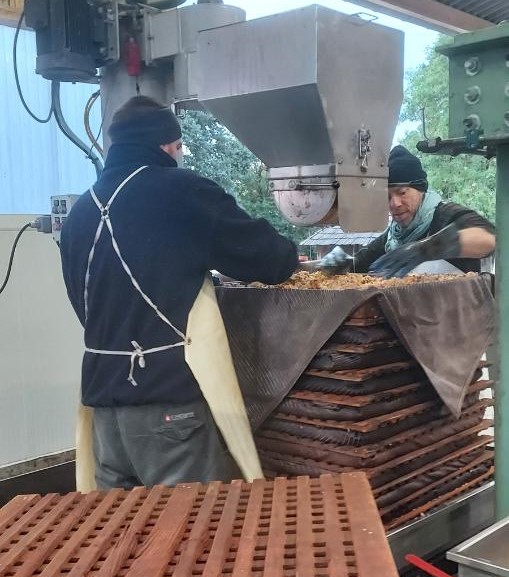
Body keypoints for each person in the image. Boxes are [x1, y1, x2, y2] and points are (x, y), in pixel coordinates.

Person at [60, 95, 298, 490]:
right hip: (168, 411)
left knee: (123, 524)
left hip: (104, 412)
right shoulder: (181, 192)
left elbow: (83, 306)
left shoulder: (79, 214)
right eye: (179, 147)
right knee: (191, 524)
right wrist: (291, 255)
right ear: (168, 145)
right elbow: (267, 259)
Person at [304, 145, 495, 277]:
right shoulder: (393, 237)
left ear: (421, 189)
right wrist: (344, 262)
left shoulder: (445, 215)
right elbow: (360, 263)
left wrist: (427, 249)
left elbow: (490, 239)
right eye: (387, 197)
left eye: (402, 192)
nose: (394, 203)